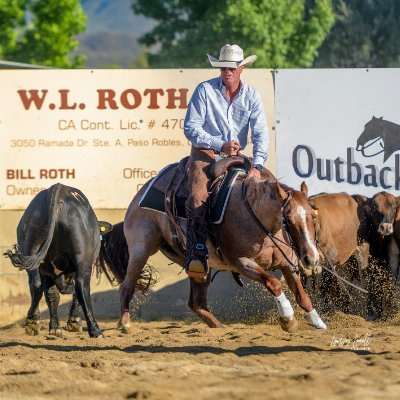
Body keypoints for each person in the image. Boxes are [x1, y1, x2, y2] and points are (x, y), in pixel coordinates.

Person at [183, 43, 269, 279]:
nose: (227, 72)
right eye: (223, 68)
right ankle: (197, 250)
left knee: (271, 189)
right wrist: (218, 144)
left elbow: (260, 133)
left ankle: (275, 246)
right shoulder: (205, 90)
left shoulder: (251, 95)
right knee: (198, 195)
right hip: (205, 154)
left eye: (231, 68)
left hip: (237, 156)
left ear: (241, 68)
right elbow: (191, 128)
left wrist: (258, 166)